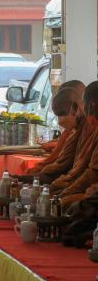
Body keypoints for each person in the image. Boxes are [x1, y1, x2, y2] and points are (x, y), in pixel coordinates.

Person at [16, 86, 85, 184]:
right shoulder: (74, 130)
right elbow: (60, 163)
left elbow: (68, 168)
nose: (59, 122)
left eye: (62, 114)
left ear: (76, 108)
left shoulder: (88, 128)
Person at [54, 81, 98, 209]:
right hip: (86, 186)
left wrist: (66, 192)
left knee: (65, 203)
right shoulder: (83, 126)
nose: (60, 121)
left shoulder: (90, 125)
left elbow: (92, 172)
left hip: (91, 191)